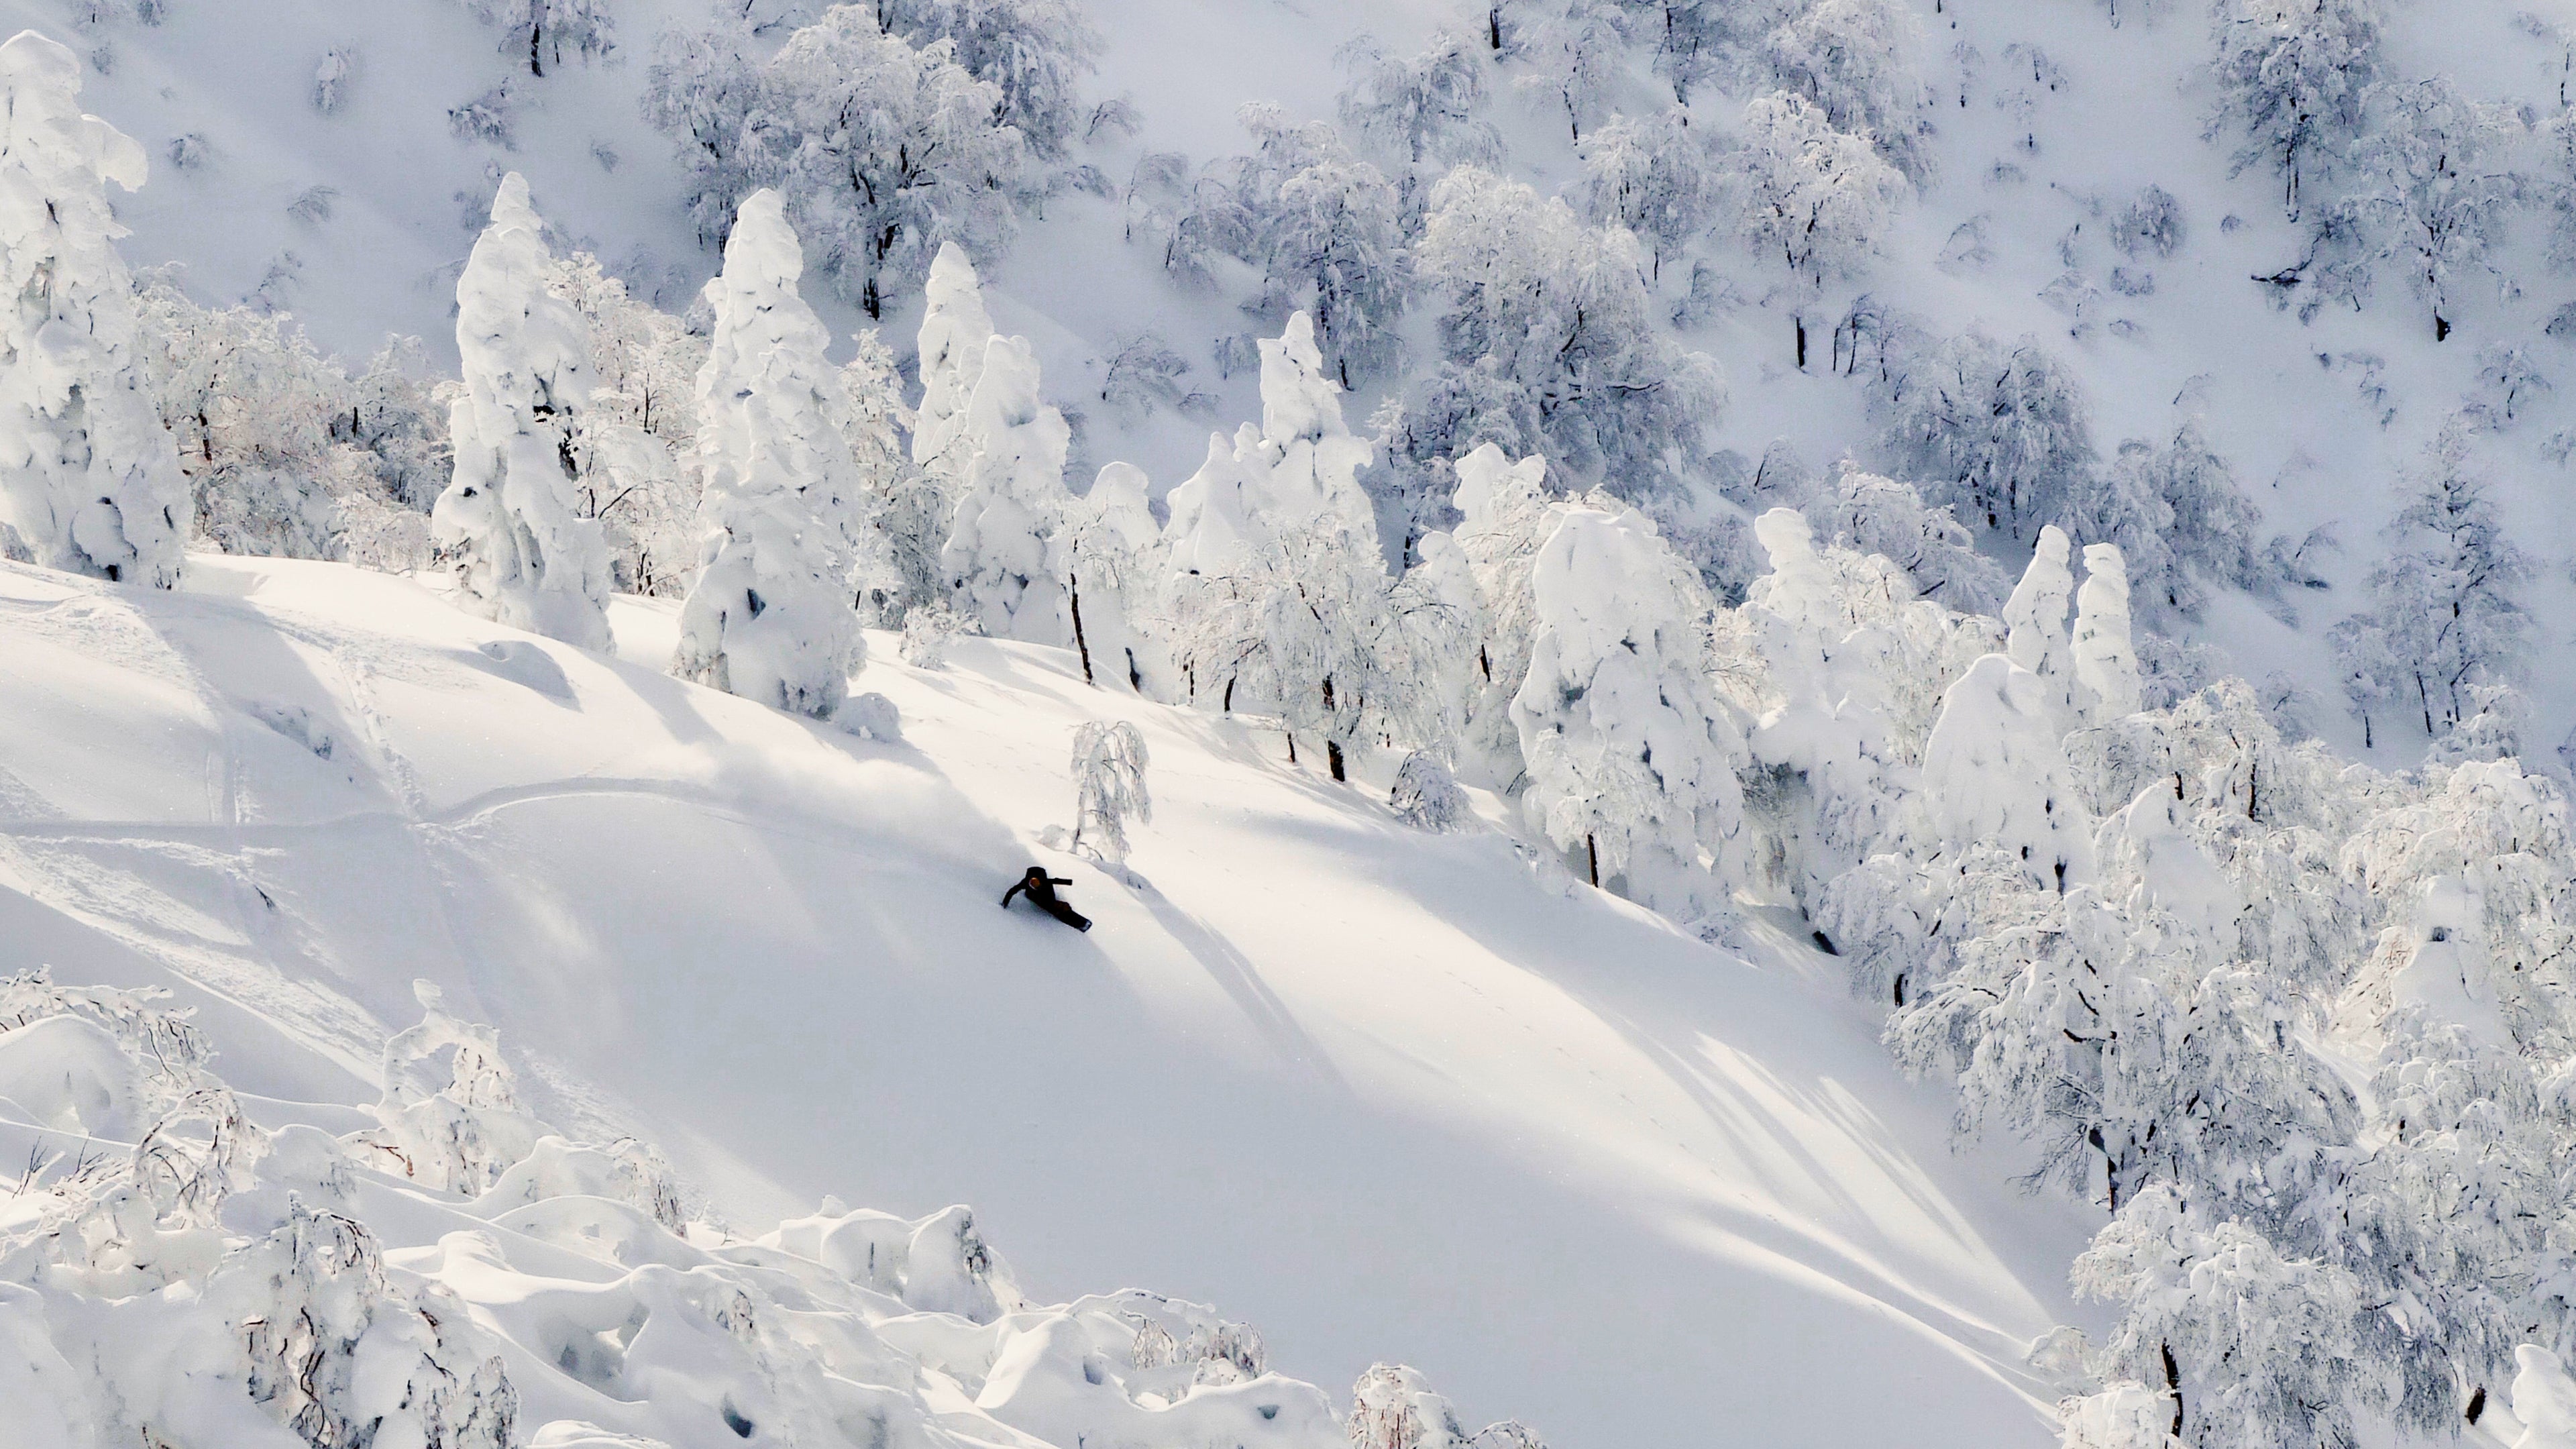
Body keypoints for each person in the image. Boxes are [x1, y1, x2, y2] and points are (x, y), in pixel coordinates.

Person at [1001, 865, 1091, 932]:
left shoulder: (1046, 882)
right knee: (1057, 910)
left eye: (1036, 884)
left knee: (1061, 908)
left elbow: (1058, 881)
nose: (1034, 885)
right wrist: (1005, 903)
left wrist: (1069, 882)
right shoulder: (1026, 883)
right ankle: (1081, 923)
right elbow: (1012, 891)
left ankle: (1083, 923)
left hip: (1048, 898)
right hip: (1037, 899)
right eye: (1032, 884)